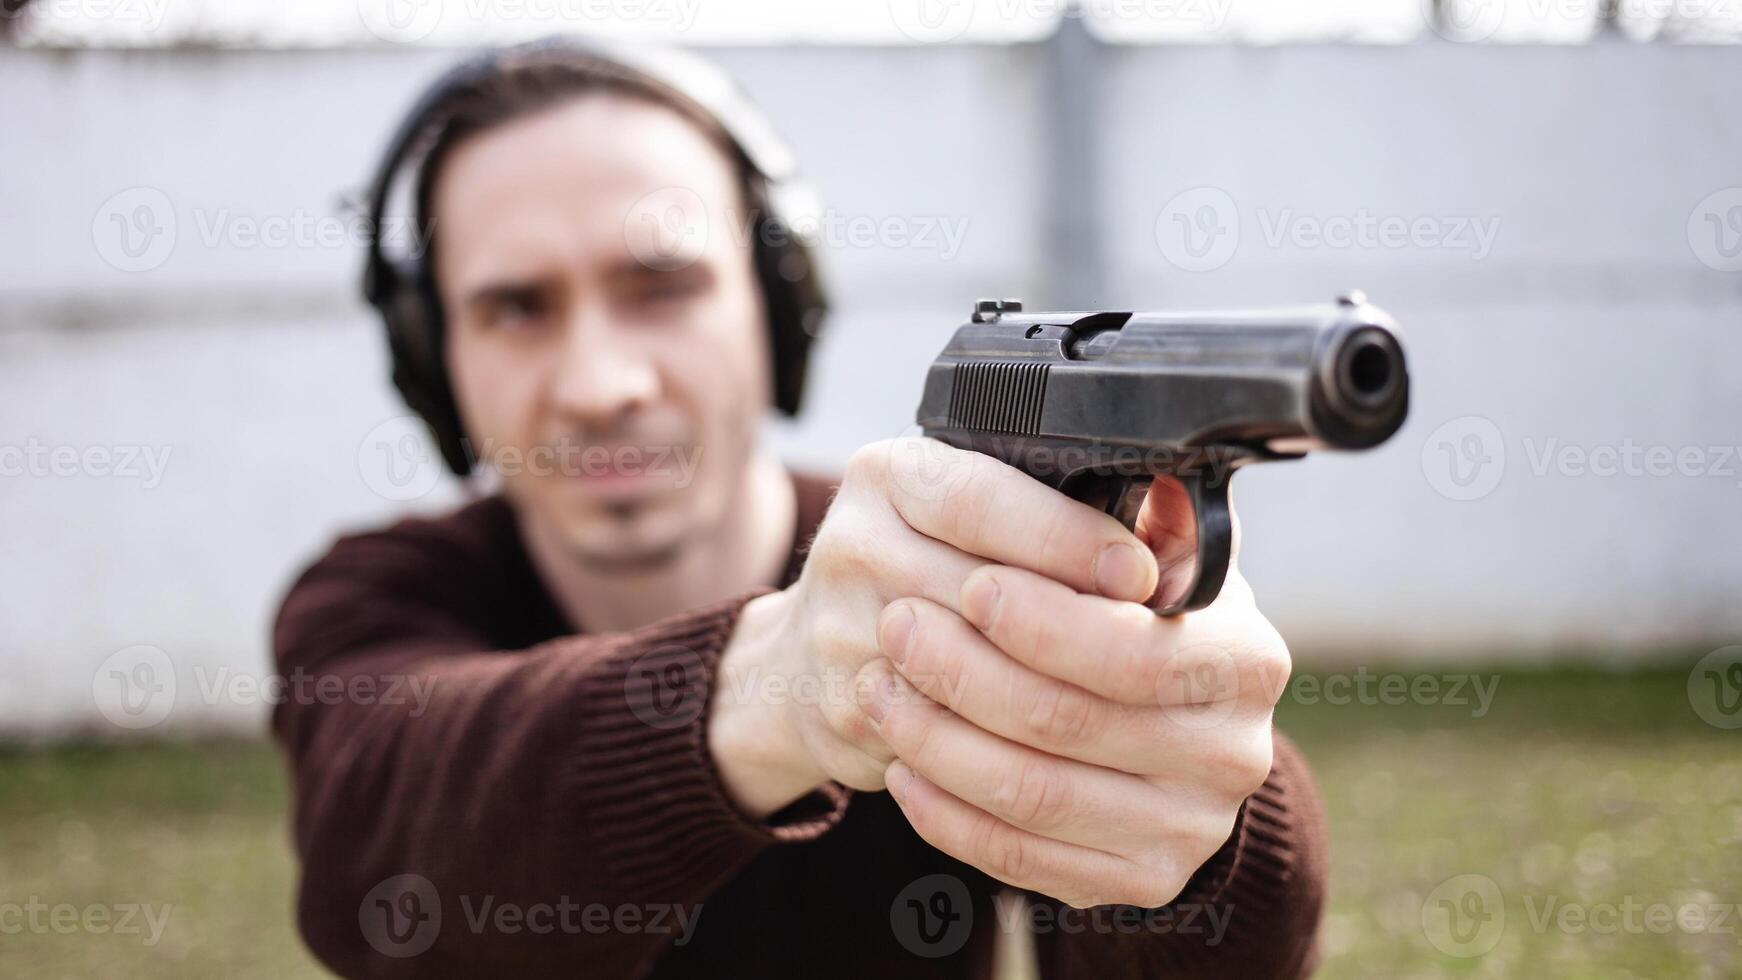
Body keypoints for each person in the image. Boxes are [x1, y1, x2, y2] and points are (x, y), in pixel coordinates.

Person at [273, 39, 1327, 979]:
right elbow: (382, 855)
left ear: (776, 310)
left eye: (661, 285)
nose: (598, 383)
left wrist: (1201, 828)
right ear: (431, 360)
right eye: (515, 307)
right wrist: (781, 683)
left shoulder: (941, 574)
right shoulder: (366, 601)